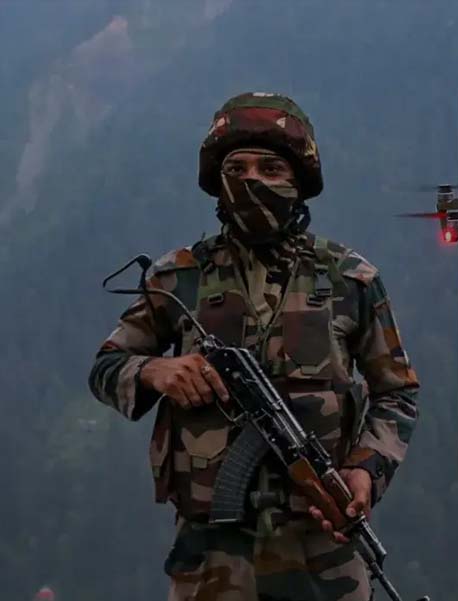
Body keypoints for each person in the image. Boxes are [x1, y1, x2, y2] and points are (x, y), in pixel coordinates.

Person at [88, 92, 420, 601]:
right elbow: (107, 367)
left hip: (321, 550)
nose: (252, 181)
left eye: (271, 168)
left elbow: (396, 392)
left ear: (299, 180)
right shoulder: (177, 278)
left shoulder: (350, 279)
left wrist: (366, 469)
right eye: (236, 168)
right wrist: (156, 372)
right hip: (211, 557)